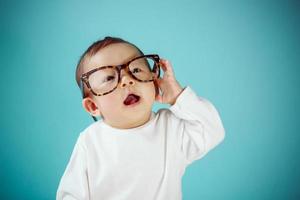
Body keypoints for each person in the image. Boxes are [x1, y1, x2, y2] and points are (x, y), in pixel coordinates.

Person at [56, 36, 225, 200]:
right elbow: (71, 194)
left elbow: (212, 130)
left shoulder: (171, 128)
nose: (127, 80)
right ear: (93, 106)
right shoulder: (90, 141)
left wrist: (178, 97)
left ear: (154, 81)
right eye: (109, 77)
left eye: (136, 70)